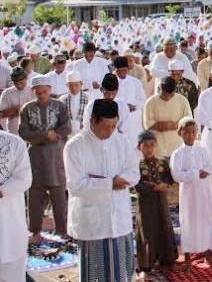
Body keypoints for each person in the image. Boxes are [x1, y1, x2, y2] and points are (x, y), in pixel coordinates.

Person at [64, 99, 140, 282]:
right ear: (93, 122)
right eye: (106, 127)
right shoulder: (75, 146)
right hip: (93, 224)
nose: (110, 131)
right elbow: (76, 185)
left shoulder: (121, 141)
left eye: (114, 126)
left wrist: (101, 181)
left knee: (121, 273)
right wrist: (110, 183)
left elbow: (134, 173)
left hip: (119, 219)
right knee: (94, 274)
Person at [19, 75, 72, 242]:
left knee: (58, 194)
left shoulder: (60, 106)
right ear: (33, 91)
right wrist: (44, 135)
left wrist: (54, 135)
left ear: (50, 90)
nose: (41, 95)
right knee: (35, 195)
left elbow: (66, 127)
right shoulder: (27, 109)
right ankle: (35, 231)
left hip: (55, 155)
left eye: (44, 91)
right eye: (38, 92)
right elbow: (24, 132)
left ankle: (62, 230)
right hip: (35, 157)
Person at [169, 117, 212, 271]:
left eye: (193, 132)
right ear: (180, 133)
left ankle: (208, 254)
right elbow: (177, 175)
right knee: (189, 221)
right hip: (189, 194)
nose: (190, 135)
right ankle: (187, 259)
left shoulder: (202, 149)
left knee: (206, 218)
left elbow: (211, 166)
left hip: (204, 191)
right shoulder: (177, 154)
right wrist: (196, 173)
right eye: (187, 132)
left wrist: (203, 172)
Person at [134, 130, 178, 277]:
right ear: (139, 147)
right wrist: (154, 187)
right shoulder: (137, 165)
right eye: (145, 145)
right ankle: (146, 264)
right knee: (147, 230)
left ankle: (167, 259)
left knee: (164, 225)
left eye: (152, 145)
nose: (149, 148)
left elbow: (170, 178)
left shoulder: (162, 162)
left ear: (156, 146)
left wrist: (165, 184)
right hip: (146, 203)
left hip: (161, 201)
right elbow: (137, 185)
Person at [0, 125, 32, 281]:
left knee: (12, 273)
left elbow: (24, 179)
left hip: (11, 222)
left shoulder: (14, 143)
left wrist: (2, 190)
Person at [143, 76, 193, 159]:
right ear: (161, 89)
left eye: (171, 94)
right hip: (157, 150)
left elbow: (188, 123)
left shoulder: (182, 100)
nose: (168, 97)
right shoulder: (150, 102)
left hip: (178, 149)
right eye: (166, 94)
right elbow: (148, 125)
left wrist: (169, 125)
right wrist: (170, 125)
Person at [112, 56, 147, 147]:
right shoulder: (111, 82)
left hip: (133, 122)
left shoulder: (135, 82)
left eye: (124, 70)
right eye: (119, 71)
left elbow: (143, 101)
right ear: (116, 70)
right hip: (116, 119)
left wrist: (133, 105)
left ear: (128, 69)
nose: (122, 73)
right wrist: (123, 107)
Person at [0, 67, 34, 134]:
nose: (18, 85)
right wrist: (15, 109)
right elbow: (2, 114)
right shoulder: (7, 93)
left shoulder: (33, 91)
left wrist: (19, 111)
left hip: (31, 132)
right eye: (16, 83)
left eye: (21, 82)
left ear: (26, 78)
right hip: (13, 131)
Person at [60, 71, 90, 135]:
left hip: (83, 132)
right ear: (67, 85)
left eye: (76, 85)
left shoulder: (88, 97)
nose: (74, 88)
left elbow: (90, 116)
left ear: (81, 84)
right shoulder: (63, 99)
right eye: (71, 85)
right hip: (68, 133)